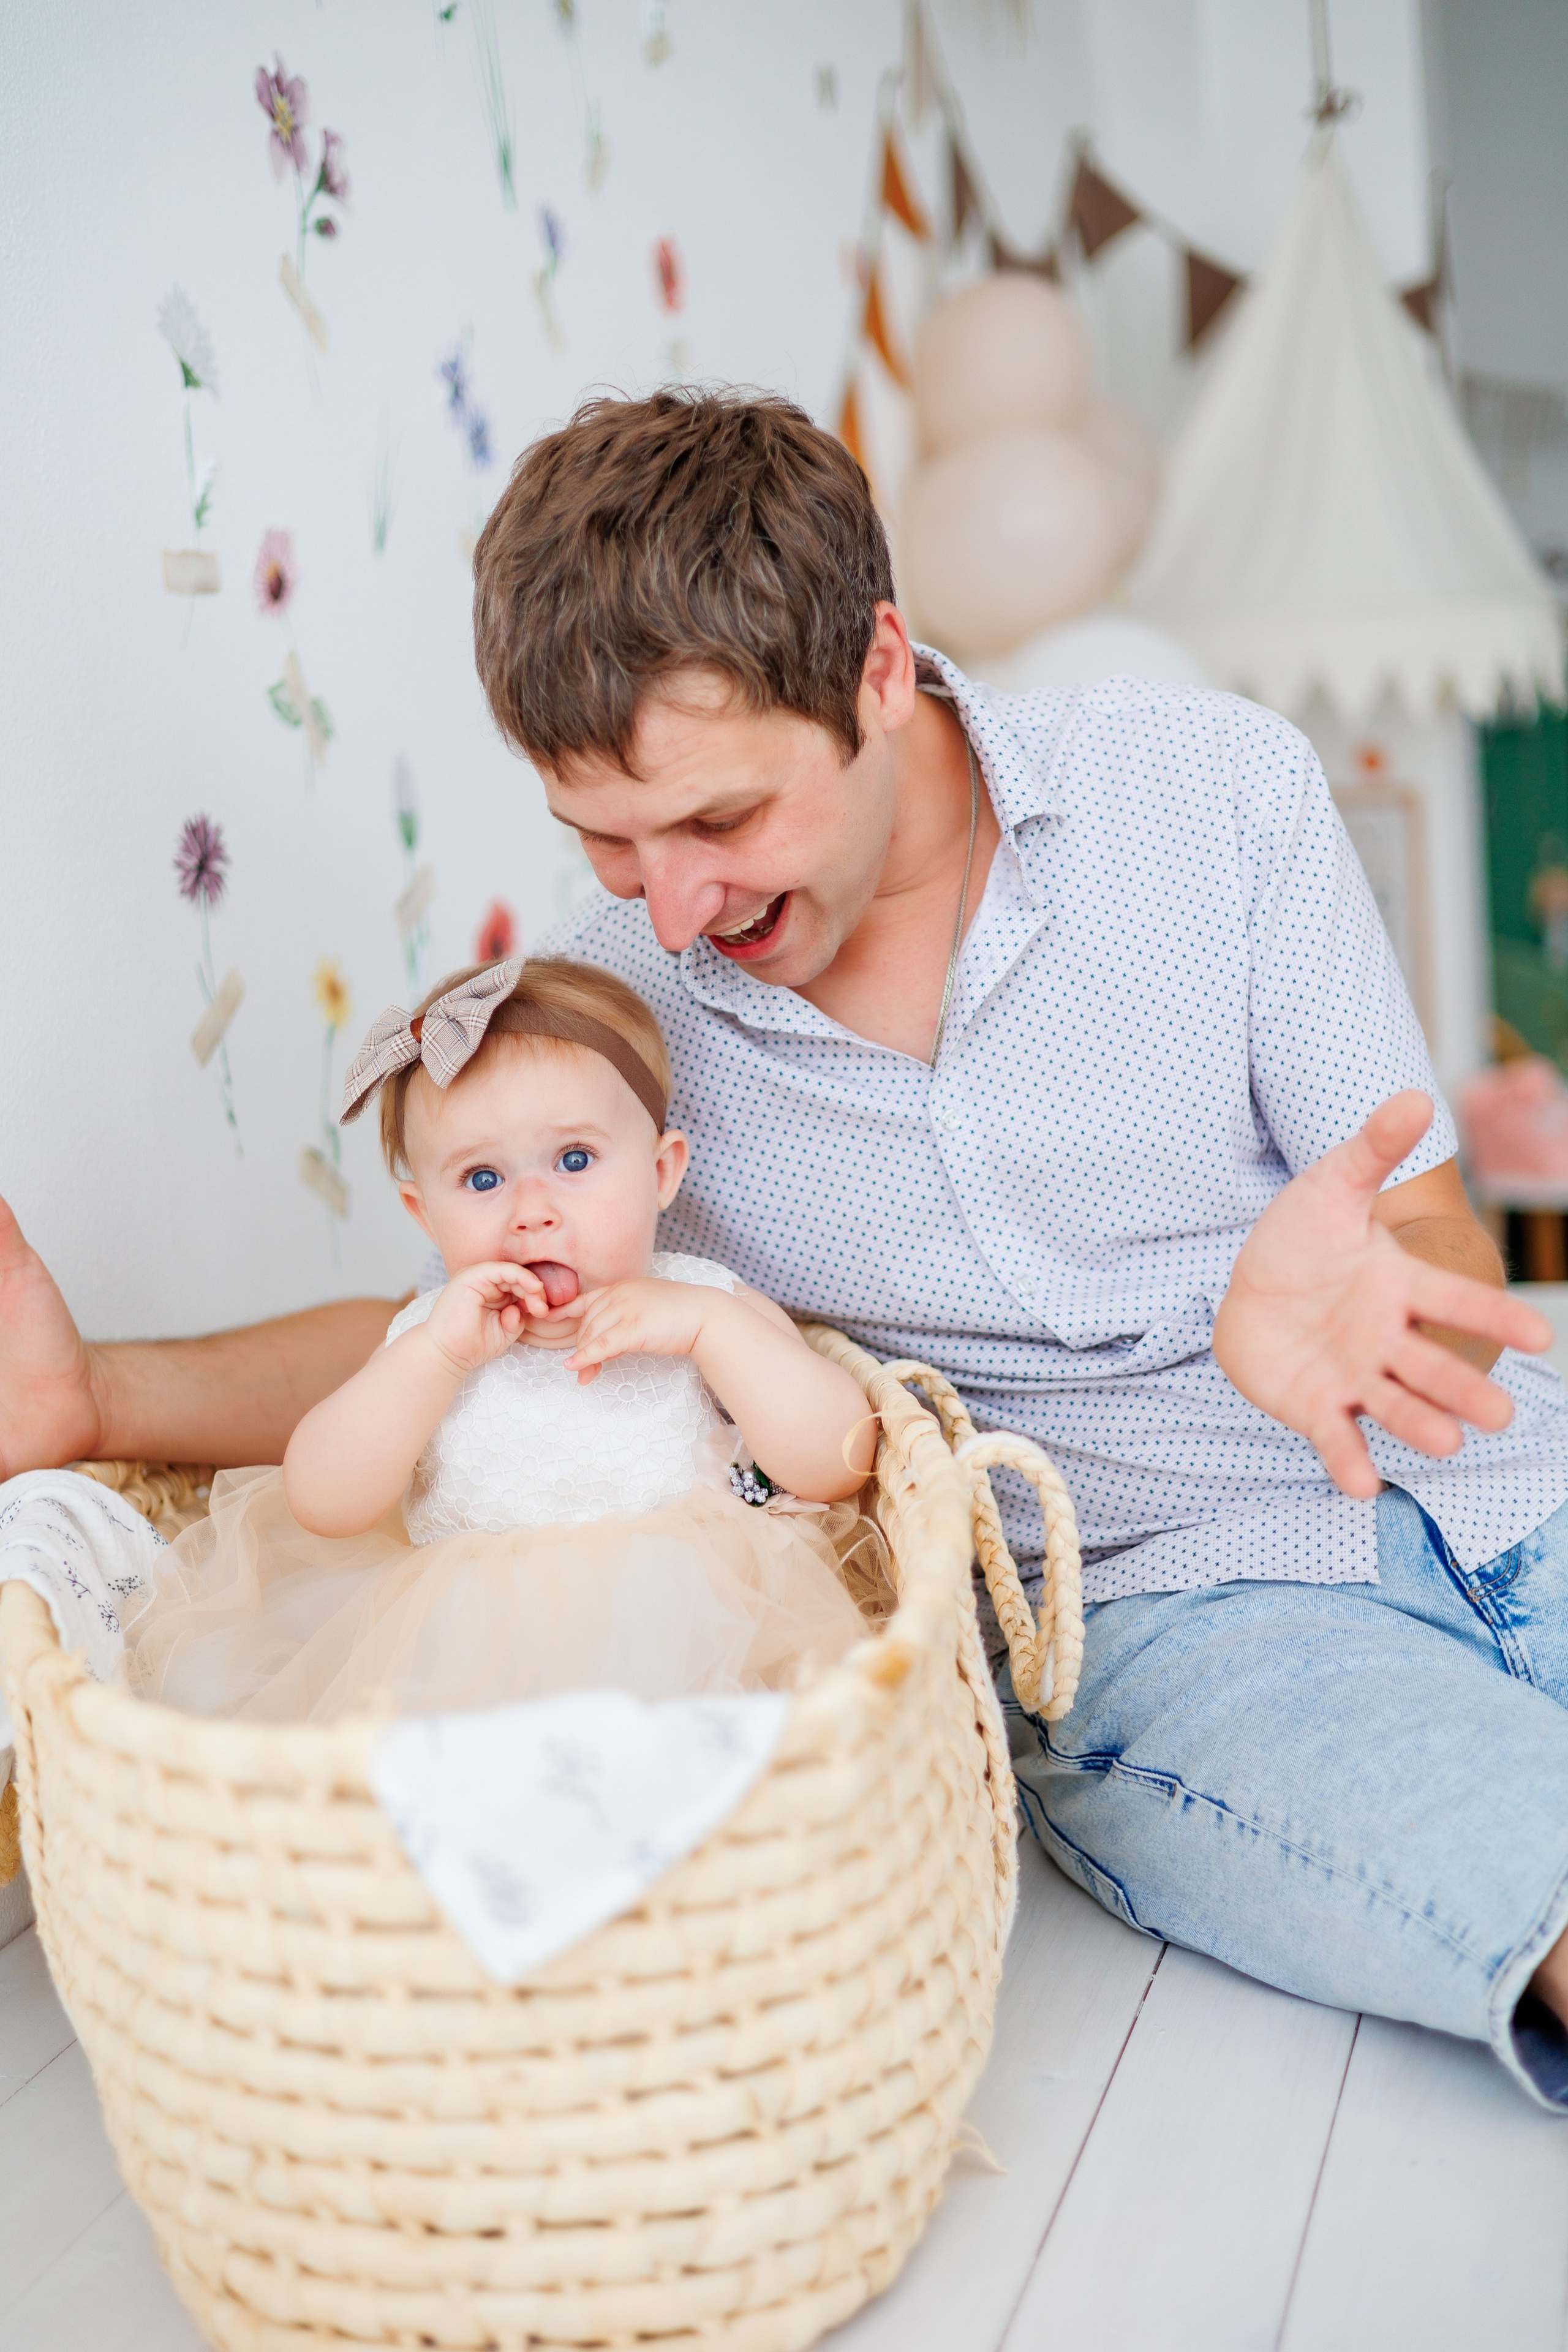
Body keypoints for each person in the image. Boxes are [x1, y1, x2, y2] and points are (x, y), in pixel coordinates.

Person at [4, 388, 1568, 2105]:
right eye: (605, 837)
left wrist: (1373, 1320)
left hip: (1506, 1485)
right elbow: (458, 1326)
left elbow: (1436, 1259)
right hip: (1175, 1618)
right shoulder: (628, 1014)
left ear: (880, 669)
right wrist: (95, 1398)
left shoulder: (1214, 794)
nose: (672, 908)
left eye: (721, 822)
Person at [120, 954, 878, 1723]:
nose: (532, 1210)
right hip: (468, 1671)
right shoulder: (435, 1338)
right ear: (424, 1215)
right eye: (482, 1179)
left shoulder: (705, 1303)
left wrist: (713, 1332)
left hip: (694, 1645)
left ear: (661, 1172)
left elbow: (836, 1458)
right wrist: (435, 1359)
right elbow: (321, 1500)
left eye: (574, 1160)